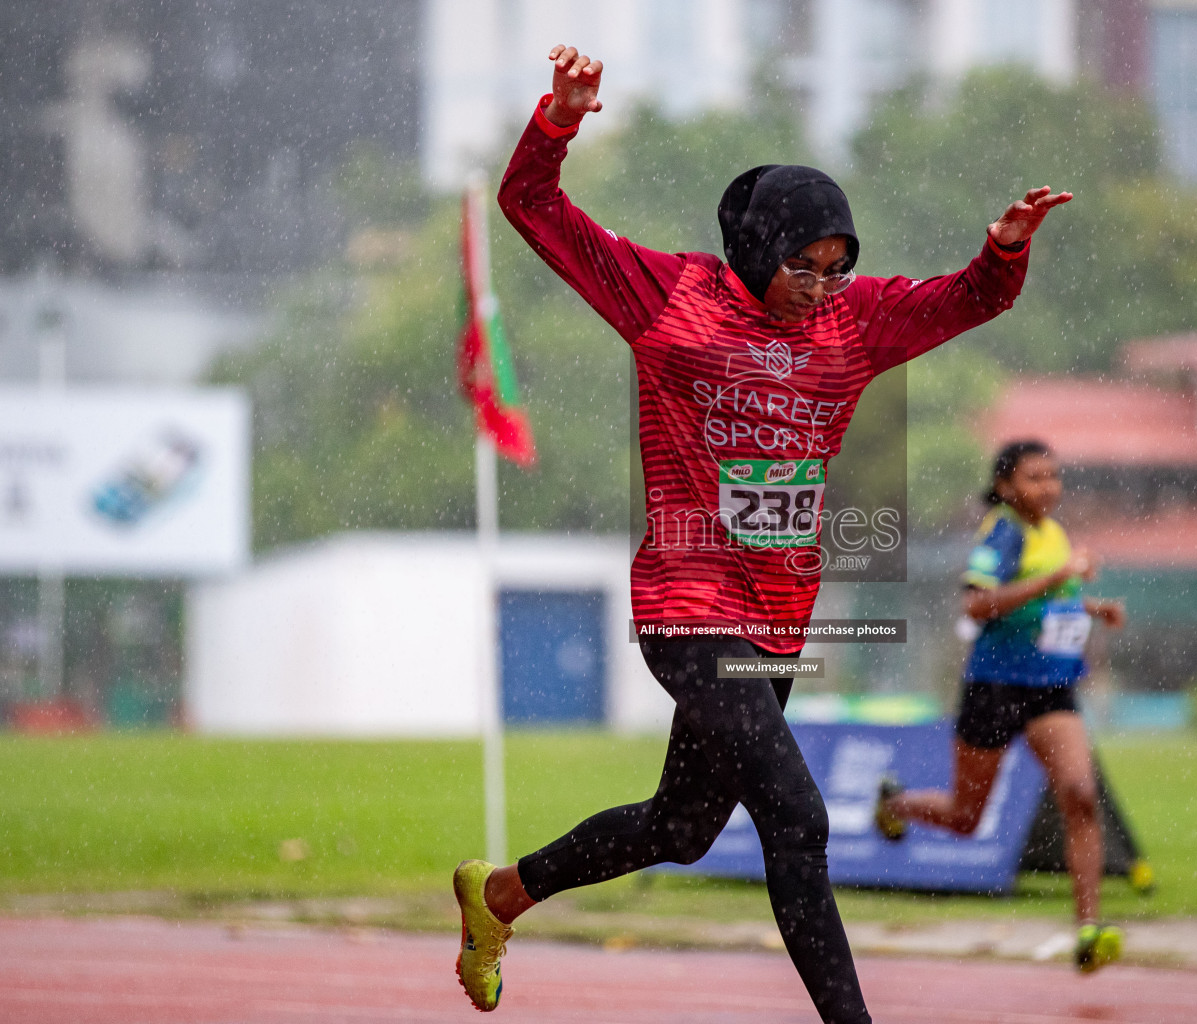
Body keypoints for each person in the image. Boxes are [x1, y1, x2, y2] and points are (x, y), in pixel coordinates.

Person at [451, 45, 1072, 1023]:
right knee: (798, 815)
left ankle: (500, 895)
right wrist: (559, 118)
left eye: (838, 268)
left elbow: (975, 298)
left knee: (683, 825)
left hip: (777, 619)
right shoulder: (670, 296)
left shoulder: (854, 325)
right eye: (802, 266)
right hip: (688, 607)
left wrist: (1002, 249)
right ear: (753, 249)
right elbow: (531, 205)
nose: (821, 287)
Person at [873, 439, 1127, 973]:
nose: (1048, 487)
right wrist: (1059, 577)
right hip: (994, 686)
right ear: (1007, 486)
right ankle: (894, 804)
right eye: (1035, 477)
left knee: (1080, 794)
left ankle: (1088, 928)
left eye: (1054, 476)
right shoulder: (1001, 531)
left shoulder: (1052, 532)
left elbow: (1048, 600)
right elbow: (978, 602)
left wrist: (1092, 607)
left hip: (1051, 688)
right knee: (966, 818)